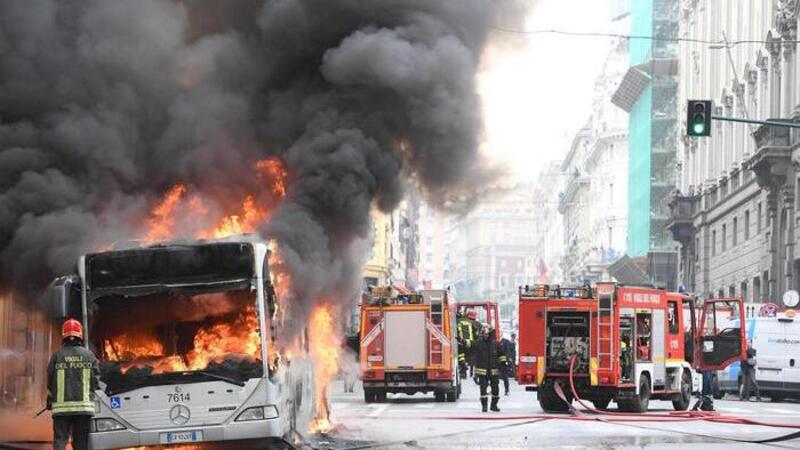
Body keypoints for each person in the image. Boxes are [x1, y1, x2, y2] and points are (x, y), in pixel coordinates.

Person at [48, 318, 99, 450]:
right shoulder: (89, 356)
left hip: (61, 409)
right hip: (83, 409)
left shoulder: (57, 356)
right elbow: (96, 380)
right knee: (81, 443)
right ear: (80, 335)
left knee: (60, 440)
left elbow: (50, 380)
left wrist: (51, 398)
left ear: (64, 335)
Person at [473, 325, 507, 412]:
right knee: (483, 390)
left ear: (490, 334)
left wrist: (503, 365)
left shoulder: (495, 344)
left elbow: (501, 355)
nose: (485, 335)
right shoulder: (478, 343)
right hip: (482, 372)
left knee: (495, 389)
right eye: (483, 334)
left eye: (486, 334)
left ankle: (494, 406)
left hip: (494, 371)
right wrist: (475, 374)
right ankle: (484, 406)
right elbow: (473, 353)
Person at [456, 312, 474, 379]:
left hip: (462, 342)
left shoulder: (458, 321)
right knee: (465, 356)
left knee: (460, 355)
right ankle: (466, 371)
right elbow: (475, 331)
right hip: (470, 343)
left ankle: (463, 367)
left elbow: (456, 331)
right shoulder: (470, 322)